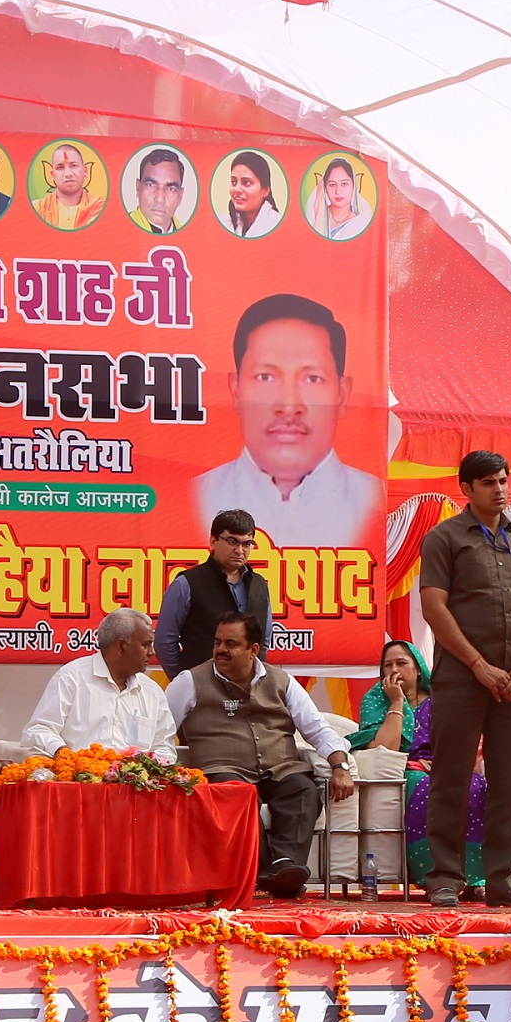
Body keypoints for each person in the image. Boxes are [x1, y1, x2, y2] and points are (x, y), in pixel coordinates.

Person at [419, 451, 511, 908]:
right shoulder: (444, 538)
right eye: (489, 483)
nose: (500, 489)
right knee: (451, 778)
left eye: (504, 480)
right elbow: (434, 607)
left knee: (508, 781)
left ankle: (501, 878)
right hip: (460, 678)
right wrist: (477, 665)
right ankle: (444, 877)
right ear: (467, 489)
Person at [166, 612, 353, 897]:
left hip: (280, 768)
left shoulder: (282, 681)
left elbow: (317, 728)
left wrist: (339, 765)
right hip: (223, 769)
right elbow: (162, 728)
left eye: (231, 643)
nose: (220, 650)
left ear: (253, 650)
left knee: (303, 790)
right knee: (236, 794)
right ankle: (273, 872)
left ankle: (283, 864)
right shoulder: (189, 682)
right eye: (217, 642)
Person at [195, 293, 383, 548]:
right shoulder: (194, 497)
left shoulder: (375, 502)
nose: (288, 406)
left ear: (342, 394)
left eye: (312, 379)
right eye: (265, 377)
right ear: (236, 389)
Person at [346, 639, 494, 894]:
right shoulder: (375, 700)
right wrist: (396, 702)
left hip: (445, 766)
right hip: (404, 771)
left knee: (474, 786)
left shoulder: (439, 700)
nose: (394, 670)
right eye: (387, 665)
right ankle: (433, 877)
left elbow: (462, 741)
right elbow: (385, 749)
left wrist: (444, 763)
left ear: (418, 669)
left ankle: (473, 878)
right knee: (426, 789)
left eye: (402, 663)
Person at [21, 609, 175, 760]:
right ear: (121, 646)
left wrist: (147, 767)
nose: (152, 652)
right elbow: (38, 730)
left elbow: (164, 747)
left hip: (136, 784)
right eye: (146, 645)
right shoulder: (71, 678)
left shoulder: (152, 691)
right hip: (81, 781)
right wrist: (62, 753)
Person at [154, 509, 274, 676]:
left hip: (250, 691)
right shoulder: (187, 584)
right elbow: (164, 642)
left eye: (247, 544)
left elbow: (264, 640)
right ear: (213, 541)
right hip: (202, 691)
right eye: (232, 541)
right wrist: (185, 682)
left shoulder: (260, 584)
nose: (239, 550)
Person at [31, 142, 105, 230]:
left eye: (73, 165)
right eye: (60, 167)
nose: (68, 174)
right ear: (52, 175)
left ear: (85, 171)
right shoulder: (37, 208)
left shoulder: (99, 206)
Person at [305, 157, 372, 240]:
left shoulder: (361, 221)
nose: (338, 191)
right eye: (332, 185)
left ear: (354, 187)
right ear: (325, 188)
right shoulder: (315, 215)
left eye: (344, 184)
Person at [129, 146, 188, 234]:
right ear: (138, 188)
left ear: (180, 196)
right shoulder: (118, 230)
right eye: (151, 185)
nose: (160, 199)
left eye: (171, 189)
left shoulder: (189, 237)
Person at [223, 151, 282, 237]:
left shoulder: (276, 224)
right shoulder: (222, 222)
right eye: (234, 182)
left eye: (246, 183)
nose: (237, 189)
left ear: (265, 191)